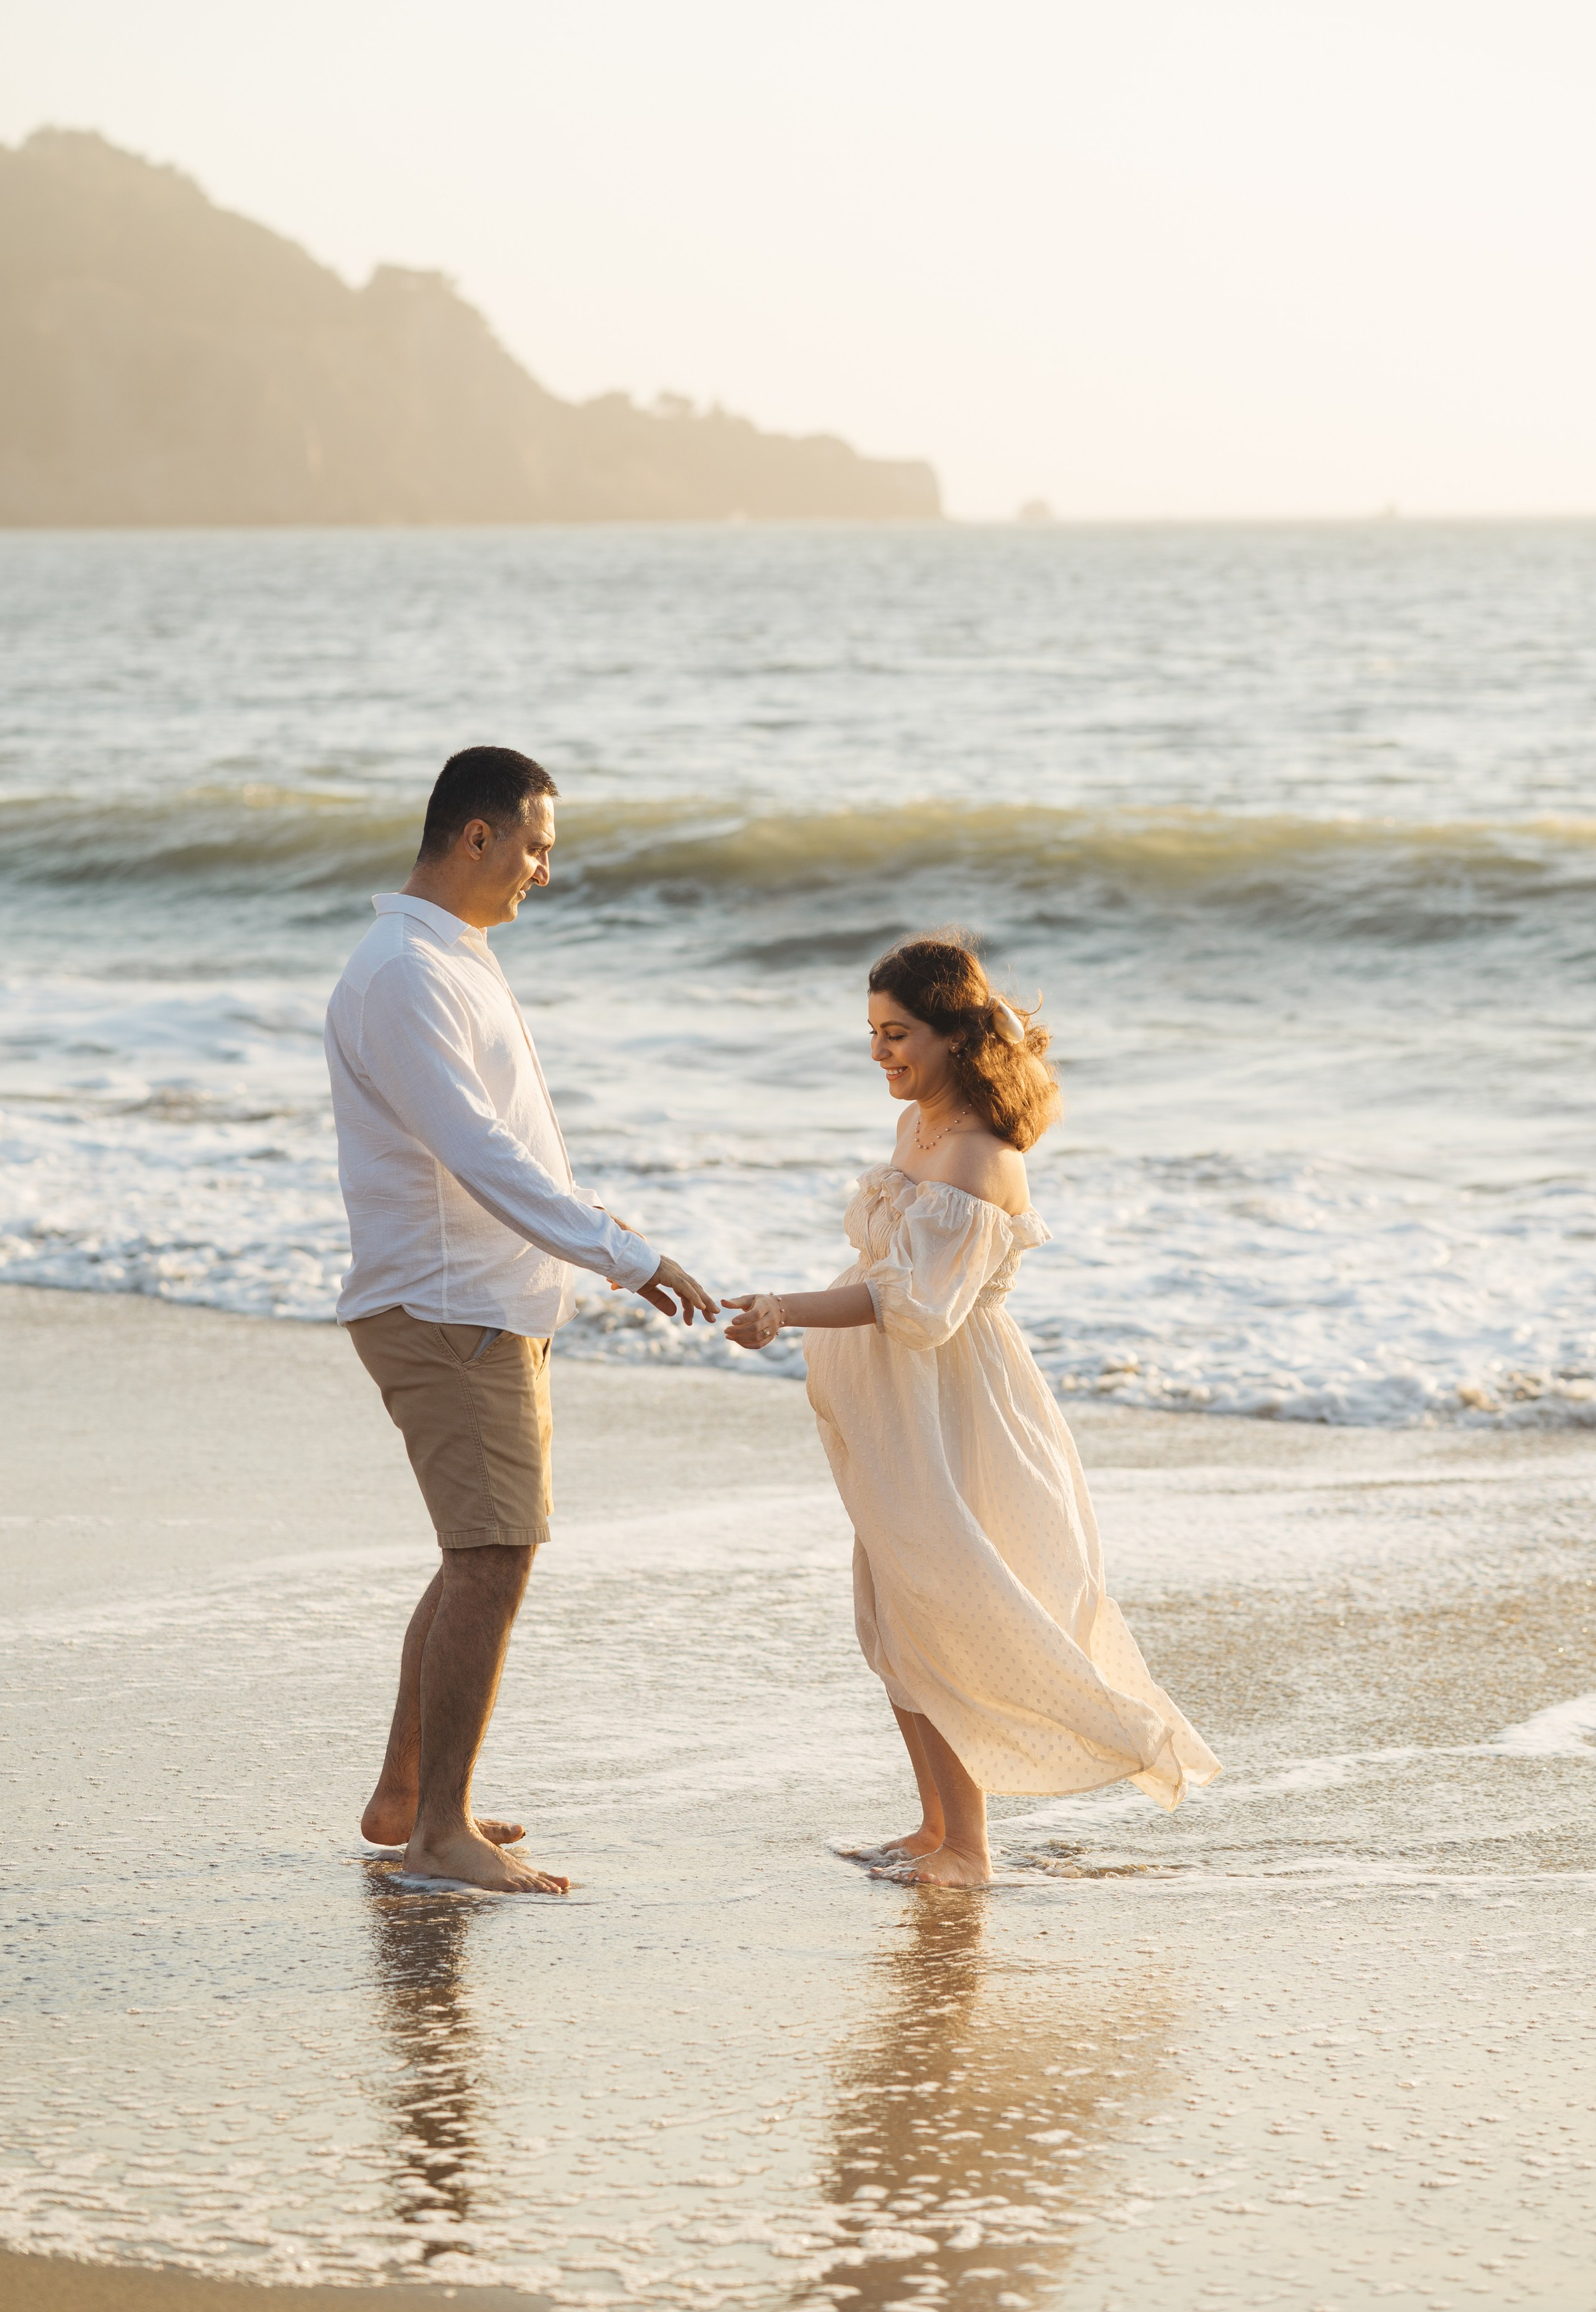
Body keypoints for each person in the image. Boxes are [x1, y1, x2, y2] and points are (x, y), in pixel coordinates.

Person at [723, 934, 1217, 1886]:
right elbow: (883, 1274)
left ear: (953, 1034)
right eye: (871, 1034)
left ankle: (970, 1850)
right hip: (896, 1412)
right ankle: (932, 1825)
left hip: (957, 1412)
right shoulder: (918, 1129)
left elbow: (913, 1306)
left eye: (898, 1034)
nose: (881, 1054)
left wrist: (786, 1310)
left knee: (944, 1610)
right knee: (894, 1614)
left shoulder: (981, 1155)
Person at [327, 744, 717, 1895]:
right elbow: (479, 1156)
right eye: (537, 845)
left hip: (481, 1301)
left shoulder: (453, 956)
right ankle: (439, 1833)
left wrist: (598, 1240)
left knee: (476, 1557)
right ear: (477, 835)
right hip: (449, 1306)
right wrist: (626, 1256)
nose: (547, 869)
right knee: (493, 1556)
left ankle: (412, 1798)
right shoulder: (408, 971)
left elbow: (514, 1148)